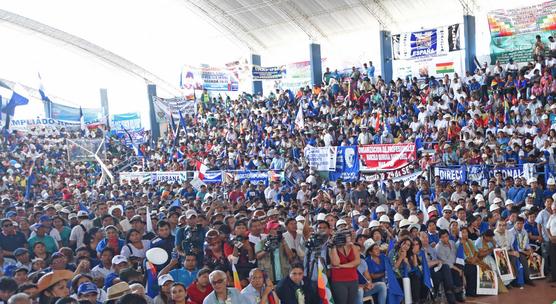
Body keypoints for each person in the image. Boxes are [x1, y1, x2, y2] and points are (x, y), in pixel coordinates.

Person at [328, 220, 360, 304]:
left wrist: (342, 266)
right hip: (339, 281)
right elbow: (335, 263)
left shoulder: (353, 246)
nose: (350, 237)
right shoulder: (332, 248)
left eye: (349, 235)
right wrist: (334, 247)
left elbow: (357, 262)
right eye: (347, 236)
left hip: (353, 279)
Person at [435, 230, 464, 303]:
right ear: (440, 238)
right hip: (445, 267)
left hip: (454, 264)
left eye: (446, 236)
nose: (445, 238)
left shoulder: (452, 242)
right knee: (455, 271)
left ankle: (459, 294)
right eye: (443, 237)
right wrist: (458, 269)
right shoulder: (438, 247)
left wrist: (461, 243)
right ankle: (451, 295)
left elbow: (457, 253)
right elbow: (446, 262)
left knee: (461, 266)